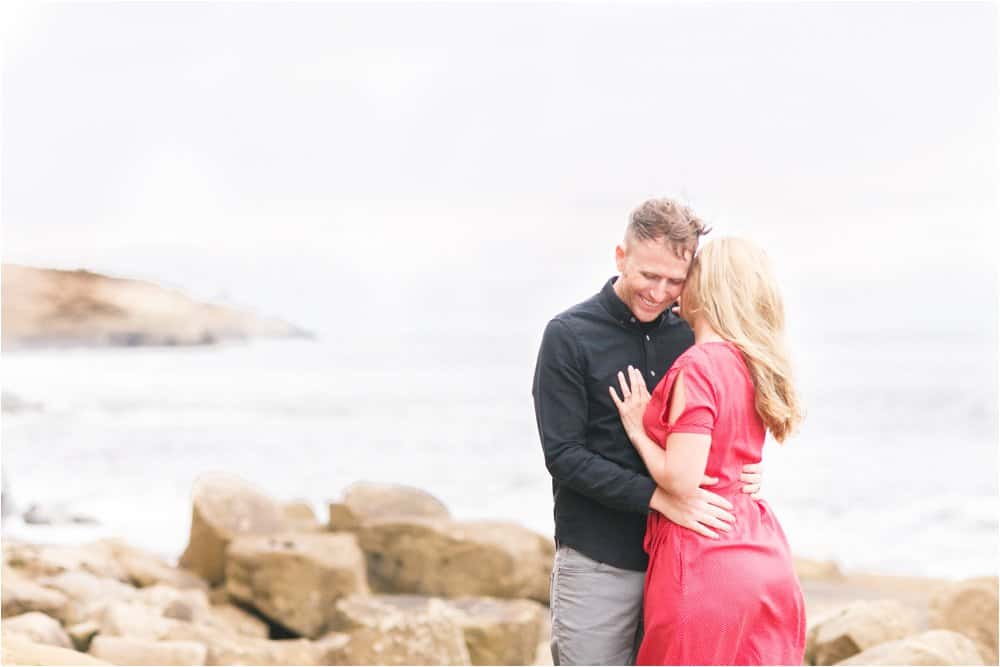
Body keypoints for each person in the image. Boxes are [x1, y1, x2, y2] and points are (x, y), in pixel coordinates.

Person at [532, 198, 764, 666]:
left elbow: (716, 426)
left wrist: (748, 473)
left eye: (674, 281)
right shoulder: (568, 335)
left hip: (685, 563)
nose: (658, 293)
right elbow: (564, 455)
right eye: (647, 275)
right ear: (621, 257)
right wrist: (659, 497)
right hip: (598, 560)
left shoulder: (693, 338)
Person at [609, 237, 806, 665]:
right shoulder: (751, 362)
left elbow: (682, 480)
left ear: (707, 288)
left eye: (688, 277)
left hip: (705, 561)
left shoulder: (699, 365)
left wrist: (639, 428)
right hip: (762, 551)